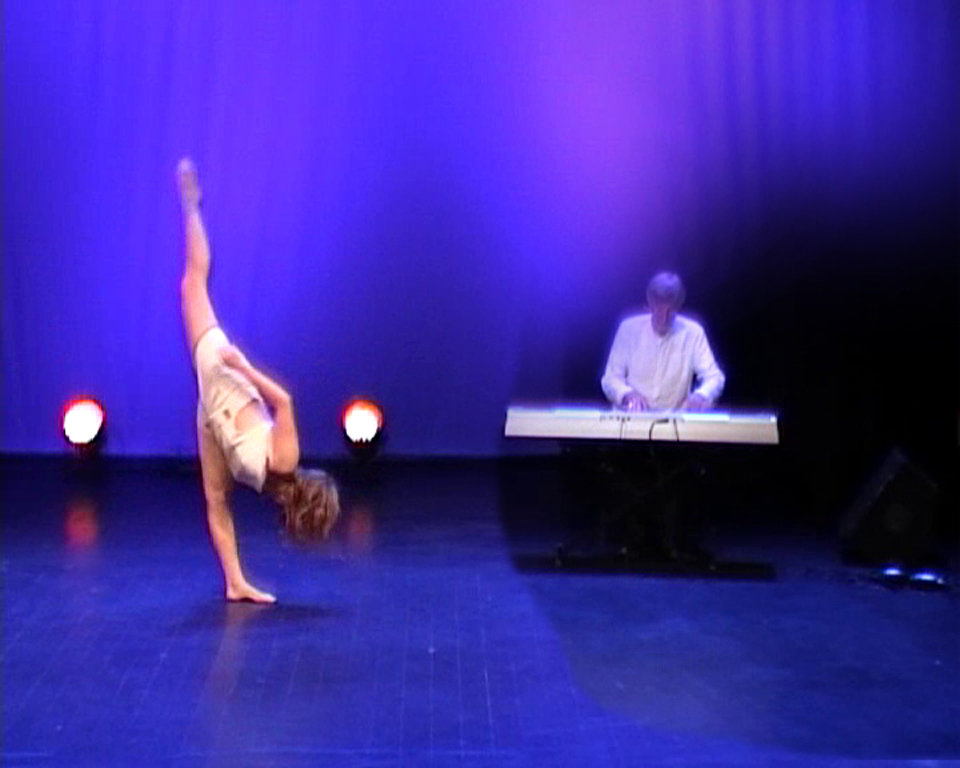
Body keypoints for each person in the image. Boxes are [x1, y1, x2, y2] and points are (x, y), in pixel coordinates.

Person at [177, 158, 339, 603]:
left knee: (216, 500)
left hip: (213, 416)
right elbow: (284, 402)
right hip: (224, 375)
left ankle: (235, 582)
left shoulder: (274, 488)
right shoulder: (285, 461)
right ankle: (191, 205)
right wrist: (244, 365)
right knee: (193, 283)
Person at [601, 271, 725, 411]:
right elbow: (610, 378)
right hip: (630, 418)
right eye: (659, 311)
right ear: (650, 306)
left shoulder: (693, 332)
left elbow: (714, 377)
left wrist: (701, 395)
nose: (664, 318)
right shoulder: (628, 329)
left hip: (674, 420)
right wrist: (627, 394)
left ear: (678, 307)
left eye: (670, 312)